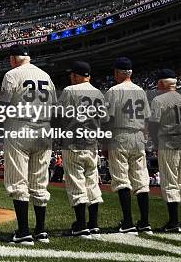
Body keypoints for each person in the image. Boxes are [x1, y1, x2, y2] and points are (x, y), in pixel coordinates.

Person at [0, 44, 55, 245]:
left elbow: (3, 105)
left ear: (14, 58)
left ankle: (23, 231)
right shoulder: (46, 75)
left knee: (18, 180)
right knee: (39, 181)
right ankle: (41, 231)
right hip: (44, 127)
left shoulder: (12, 74)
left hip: (20, 126)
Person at [57, 61, 106, 239]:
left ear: (77, 75)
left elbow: (59, 115)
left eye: (72, 74)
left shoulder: (70, 91)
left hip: (73, 143)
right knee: (92, 183)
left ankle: (81, 226)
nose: (71, 77)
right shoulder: (98, 93)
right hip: (92, 143)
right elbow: (105, 118)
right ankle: (94, 225)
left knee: (76, 183)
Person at [104, 57, 152, 234]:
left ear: (117, 72)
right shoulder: (140, 90)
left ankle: (128, 222)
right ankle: (145, 222)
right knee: (141, 179)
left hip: (120, 134)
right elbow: (146, 118)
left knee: (122, 179)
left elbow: (108, 118)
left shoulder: (113, 90)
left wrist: (105, 140)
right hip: (138, 135)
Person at [149, 69, 181, 232]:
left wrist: (155, 144)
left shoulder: (159, 99)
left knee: (170, 182)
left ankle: (174, 223)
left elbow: (154, 124)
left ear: (162, 83)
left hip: (169, 143)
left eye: (157, 83)